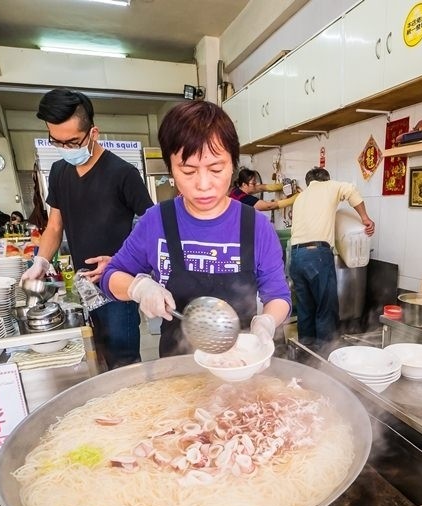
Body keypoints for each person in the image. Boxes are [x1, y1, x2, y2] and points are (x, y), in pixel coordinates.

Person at [102, 101, 290, 357]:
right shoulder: (156, 220)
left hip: (238, 365)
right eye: (188, 170)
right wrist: (140, 288)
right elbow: (111, 276)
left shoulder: (256, 226)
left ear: (233, 165)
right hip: (176, 372)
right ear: (171, 168)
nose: (203, 184)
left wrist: (267, 322)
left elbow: (278, 295)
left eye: (216, 169)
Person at [24, 88, 154, 370]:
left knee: (124, 360)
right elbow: (55, 225)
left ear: (93, 133)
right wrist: (40, 260)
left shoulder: (122, 173)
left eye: (72, 142)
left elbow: (152, 226)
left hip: (117, 281)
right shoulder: (59, 171)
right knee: (97, 354)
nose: (65, 149)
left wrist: (123, 263)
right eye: (56, 141)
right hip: (83, 283)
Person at [289, 167, 375, 348]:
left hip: (296, 257)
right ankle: (325, 360)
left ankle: (306, 359)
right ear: (326, 179)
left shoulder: (300, 198)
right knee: (325, 310)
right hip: (317, 256)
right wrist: (365, 218)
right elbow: (351, 190)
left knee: (306, 311)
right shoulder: (328, 186)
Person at [229, 168, 296, 212]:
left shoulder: (236, 190)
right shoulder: (244, 199)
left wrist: (281, 185)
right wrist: (294, 199)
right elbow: (269, 206)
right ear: (244, 185)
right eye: (253, 183)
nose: (257, 184)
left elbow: (260, 187)